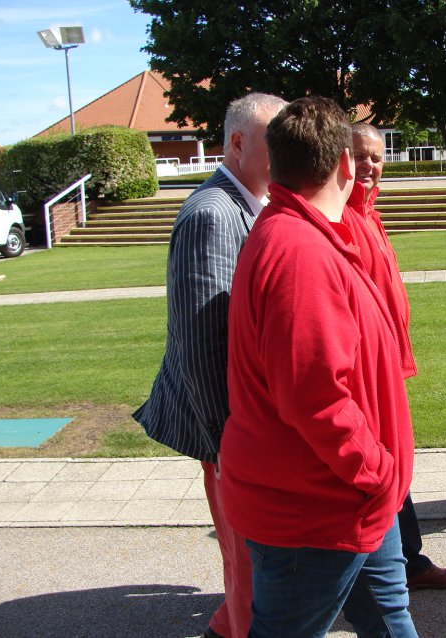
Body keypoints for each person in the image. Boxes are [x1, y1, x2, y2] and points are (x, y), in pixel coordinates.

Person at [218, 97, 418, 637]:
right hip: (319, 506)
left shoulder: (307, 233)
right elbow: (314, 395)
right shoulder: (300, 250)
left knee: (389, 615)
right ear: (345, 165)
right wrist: (377, 473)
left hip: (349, 497)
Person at [132, 92, 287, 638]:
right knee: (246, 564)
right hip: (228, 429)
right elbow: (202, 343)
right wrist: (229, 446)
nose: (289, 154)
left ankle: (226, 626)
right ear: (238, 143)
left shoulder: (252, 204)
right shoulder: (213, 214)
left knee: (247, 564)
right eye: (278, 142)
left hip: (239, 426)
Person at [343, 122, 446, 591]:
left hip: (387, 364)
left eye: (376, 157)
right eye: (359, 156)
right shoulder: (342, 218)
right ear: (340, 158)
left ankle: (400, 563)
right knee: (383, 466)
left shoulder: (369, 214)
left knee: (392, 463)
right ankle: (396, 566)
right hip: (365, 372)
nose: (370, 166)